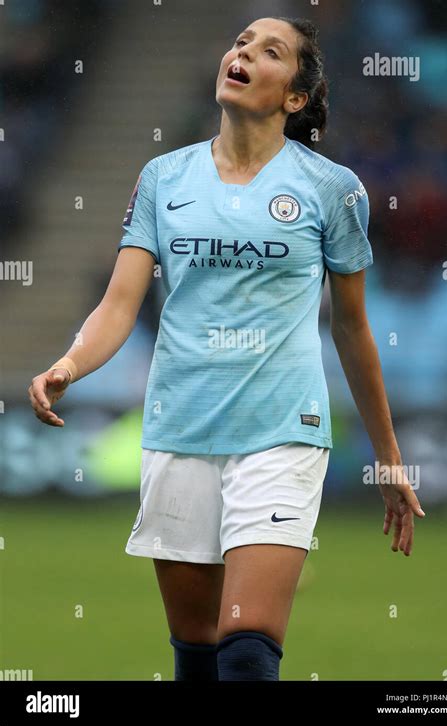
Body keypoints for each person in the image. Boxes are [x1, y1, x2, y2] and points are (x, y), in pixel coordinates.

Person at [28, 16, 425, 681]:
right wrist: (69, 364)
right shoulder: (164, 177)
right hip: (179, 427)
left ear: (296, 97)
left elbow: (353, 328)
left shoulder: (333, 190)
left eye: (269, 51)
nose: (242, 52)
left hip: (282, 433)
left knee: (246, 648)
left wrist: (387, 457)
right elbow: (122, 302)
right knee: (199, 652)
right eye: (240, 40)